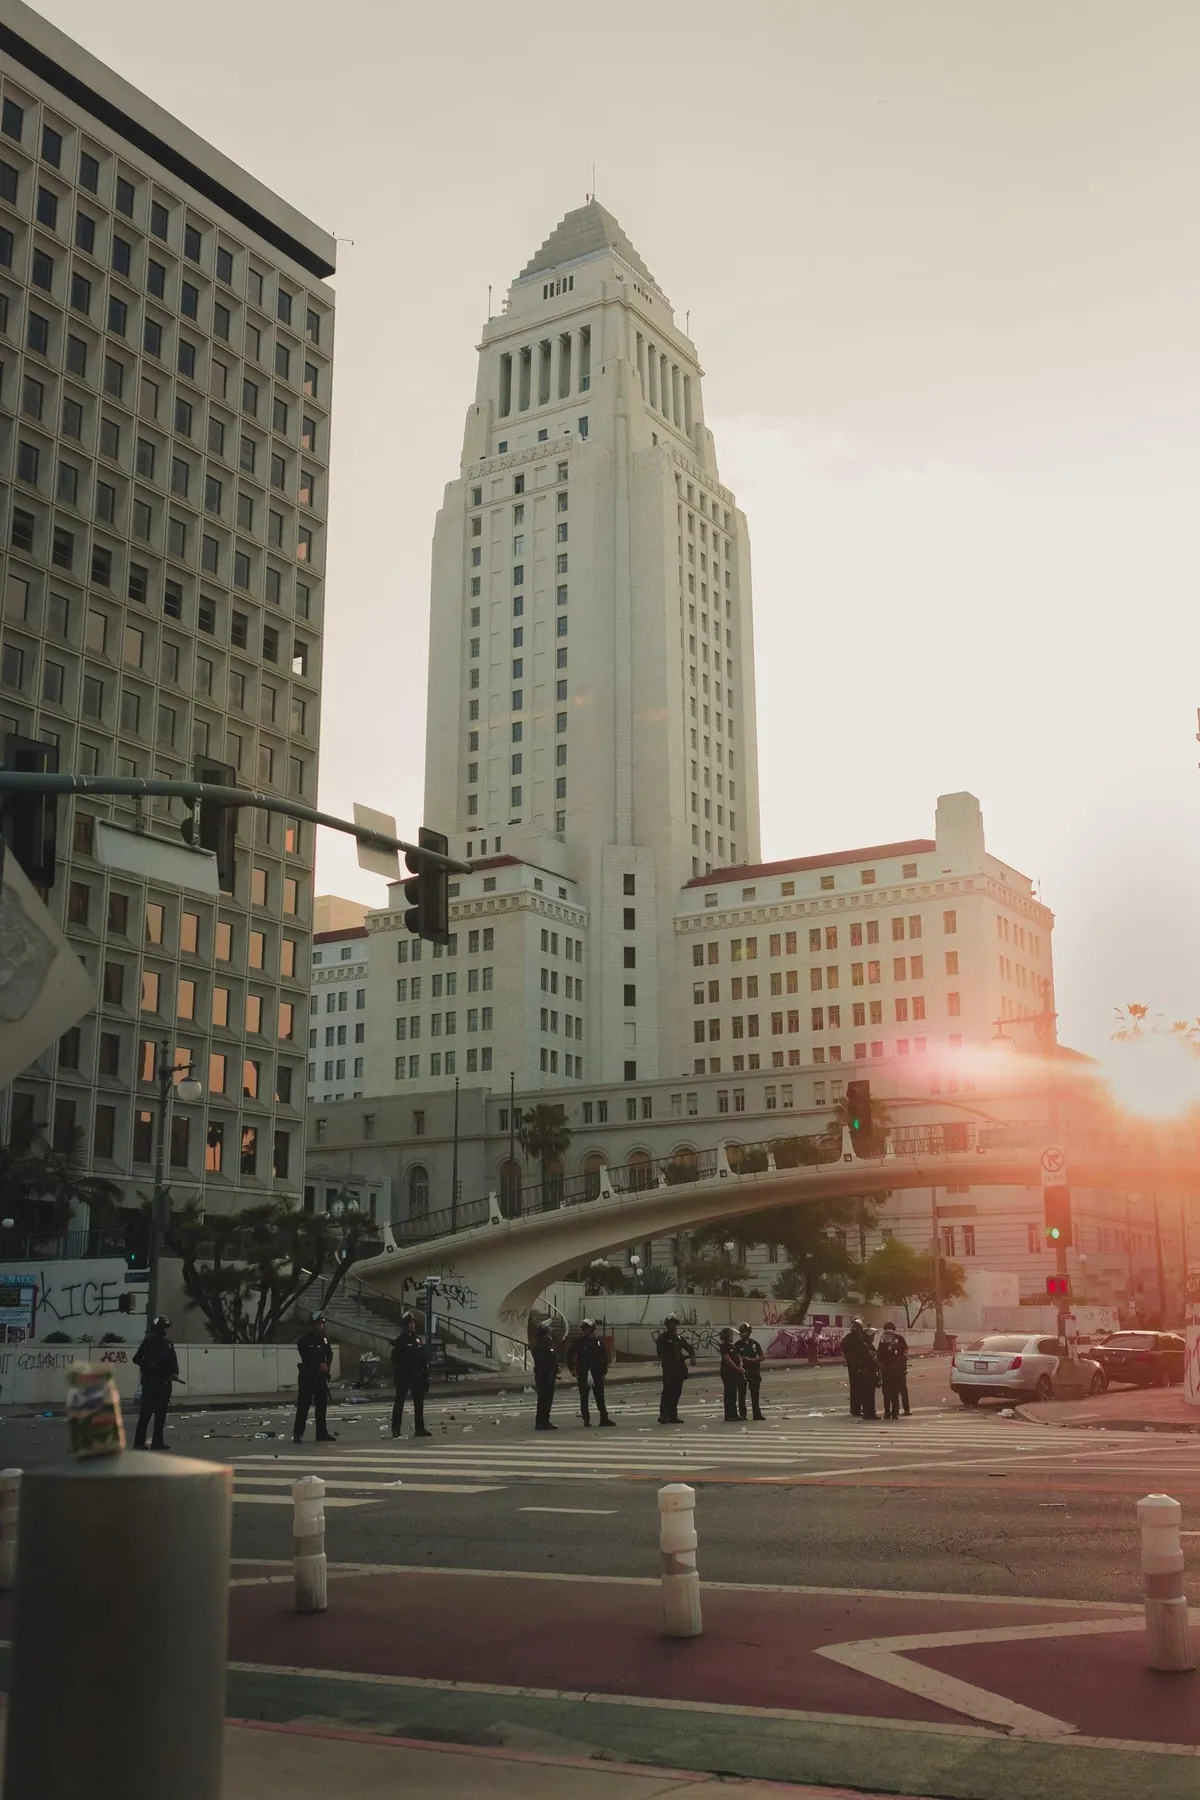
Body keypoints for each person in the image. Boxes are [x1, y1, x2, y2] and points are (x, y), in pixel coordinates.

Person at [132, 1314, 179, 1450]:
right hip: (151, 1383)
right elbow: (137, 1359)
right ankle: (139, 1443)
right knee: (146, 1413)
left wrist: (174, 1373)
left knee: (161, 1415)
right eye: (163, 1327)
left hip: (164, 1383)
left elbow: (173, 1363)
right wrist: (148, 1365)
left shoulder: (168, 1344)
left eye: (166, 1327)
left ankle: (157, 1442)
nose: (165, 1330)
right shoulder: (148, 1342)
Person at [293, 1312, 336, 1443]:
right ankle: (298, 1433)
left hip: (321, 1378)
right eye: (318, 1323)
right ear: (312, 1324)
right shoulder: (305, 1339)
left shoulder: (324, 1338)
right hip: (308, 1376)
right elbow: (306, 1356)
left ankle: (321, 1433)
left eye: (322, 1323)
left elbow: (329, 1353)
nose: (320, 1326)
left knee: (321, 1405)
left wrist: (327, 1365)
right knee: (304, 1405)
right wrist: (318, 1365)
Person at [390, 1312, 433, 1438]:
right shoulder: (400, 1341)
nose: (413, 1325)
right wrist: (402, 1369)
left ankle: (420, 1428)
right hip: (404, 1376)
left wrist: (425, 1373)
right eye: (410, 1323)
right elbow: (395, 1359)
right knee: (399, 1403)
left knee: (419, 1403)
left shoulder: (417, 1340)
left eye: (413, 1323)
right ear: (405, 1325)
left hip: (417, 1376)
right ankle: (396, 1429)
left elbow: (423, 1357)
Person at [567, 1318, 614, 1426]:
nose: (586, 1331)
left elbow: (605, 1356)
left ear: (592, 1329)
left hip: (597, 1372)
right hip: (583, 1372)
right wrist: (572, 1369)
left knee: (600, 1396)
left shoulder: (598, 1341)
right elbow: (569, 1355)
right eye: (584, 1329)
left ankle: (604, 1418)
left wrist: (604, 1369)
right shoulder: (579, 1342)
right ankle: (586, 1419)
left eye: (588, 1329)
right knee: (584, 1396)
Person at [655, 1314, 696, 1424]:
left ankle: (673, 1415)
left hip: (679, 1369)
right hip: (669, 1369)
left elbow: (689, 1348)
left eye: (675, 1324)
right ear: (667, 1325)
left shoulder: (679, 1338)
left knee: (677, 1392)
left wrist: (692, 1357)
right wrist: (673, 1356)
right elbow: (661, 1352)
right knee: (667, 1392)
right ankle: (664, 1415)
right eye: (671, 1324)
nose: (673, 1326)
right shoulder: (663, 1338)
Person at [842, 1318, 879, 1421]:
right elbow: (868, 1352)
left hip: (852, 1366)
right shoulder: (861, 1338)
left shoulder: (848, 1337)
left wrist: (850, 1360)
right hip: (862, 1366)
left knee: (854, 1388)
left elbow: (844, 1352)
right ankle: (865, 1410)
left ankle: (855, 1409)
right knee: (864, 1389)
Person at [877, 1321, 911, 1420]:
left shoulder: (883, 1340)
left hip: (887, 1370)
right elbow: (905, 1351)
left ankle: (887, 1412)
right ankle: (901, 1411)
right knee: (900, 1391)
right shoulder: (899, 1338)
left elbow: (880, 1354)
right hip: (899, 1370)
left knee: (887, 1392)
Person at [532, 1321, 560, 1430]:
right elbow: (545, 1361)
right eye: (548, 1332)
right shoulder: (542, 1345)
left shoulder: (545, 1344)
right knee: (544, 1399)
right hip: (544, 1376)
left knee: (545, 1400)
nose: (550, 1334)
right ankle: (542, 1422)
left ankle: (544, 1421)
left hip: (547, 1375)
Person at [736, 1321, 766, 1420]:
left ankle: (757, 1414)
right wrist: (745, 1359)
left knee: (755, 1394)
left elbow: (762, 1356)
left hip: (754, 1371)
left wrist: (757, 1359)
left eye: (746, 1331)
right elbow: (738, 1357)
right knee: (741, 1393)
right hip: (743, 1372)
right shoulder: (737, 1345)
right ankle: (743, 1415)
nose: (744, 1334)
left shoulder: (754, 1343)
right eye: (742, 1332)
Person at [718, 1328, 744, 1421]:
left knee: (733, 1392)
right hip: (727, 1371)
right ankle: (729, 1415)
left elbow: (738, 1356)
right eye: (730, 1335)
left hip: (735, 1371)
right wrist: (736, 1367)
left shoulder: (732, 1346)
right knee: (729, 1392)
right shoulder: (724, 1346)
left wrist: (740, 1364)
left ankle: (734, 1414)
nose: (732, 1336)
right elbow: (727, 1358)